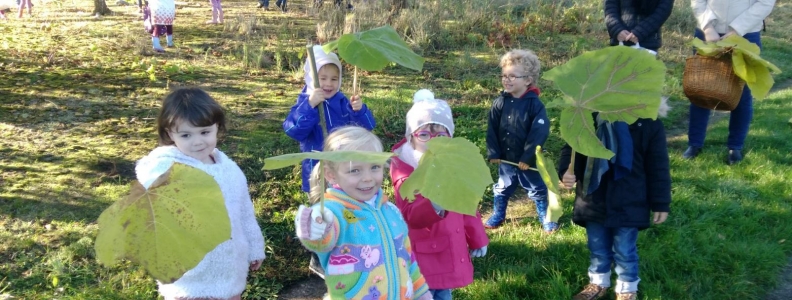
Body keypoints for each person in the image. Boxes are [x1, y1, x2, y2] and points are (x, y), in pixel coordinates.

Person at [135, 88, 266, 300]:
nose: (197, 142)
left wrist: (255, 248)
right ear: (170, 134)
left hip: (229, 268)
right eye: (186, 135)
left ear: (217, 128)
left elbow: (244, 212)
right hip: (189, 273)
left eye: (205, 132)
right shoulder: (168, 167)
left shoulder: (229, 169)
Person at [294, 126, 433, 300]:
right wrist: (317, 227)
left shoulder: (391, 212)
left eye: (374, 167)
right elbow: (322, 239)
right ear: (331, 175)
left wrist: (421, 292)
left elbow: (407, 259)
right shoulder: (334, 211)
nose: (367, 177)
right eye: (354, 170)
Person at [559, 98, 672, 300]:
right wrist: (567, 171)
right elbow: (572, 149)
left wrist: (660, 202)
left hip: (630, 198)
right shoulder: (589, 117)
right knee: (597, 246)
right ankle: (598, 282)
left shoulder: (647, 122)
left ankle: (627, 288)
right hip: (594, 197)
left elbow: (658, 165)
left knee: (625, 249)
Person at [390, 89, 489, 300]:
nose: (432, 141)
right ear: (411, 138)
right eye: (424, 134)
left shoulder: (453, 164)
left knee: (444, 293)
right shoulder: (405, 169)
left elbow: (466, 204)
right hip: (424, 256)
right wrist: (434, 200)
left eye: (440, 135)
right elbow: (411, 216)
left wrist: (477, 237)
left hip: (450, 249)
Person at [685, 0, 776, 164]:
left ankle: (735, 147)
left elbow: (765, 3)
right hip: (708, 33)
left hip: (745, 34)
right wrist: (707, 27)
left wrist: (737, 29)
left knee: (741, 93)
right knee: (700, 89)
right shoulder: (707, 29)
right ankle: (694, 143)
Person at [484, 49, 557, 233]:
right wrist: (494, 152)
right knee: (502, 187)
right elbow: (492, 128)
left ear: (528, 80)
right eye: (504, 75)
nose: (507, 80)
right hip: (507, 158)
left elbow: (538, 133)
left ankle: (545, 216)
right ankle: (498, 214)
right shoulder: (500, 102)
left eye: (512, 76)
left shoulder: (535, 105)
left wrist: (528, 157)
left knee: (536, 189)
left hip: (527, 161)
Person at [604, 0, 674, 53]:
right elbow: (610, 8)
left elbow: (662, 11)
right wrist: (617, 29)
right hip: (620, 41)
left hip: (648, 42)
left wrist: (640, 32)